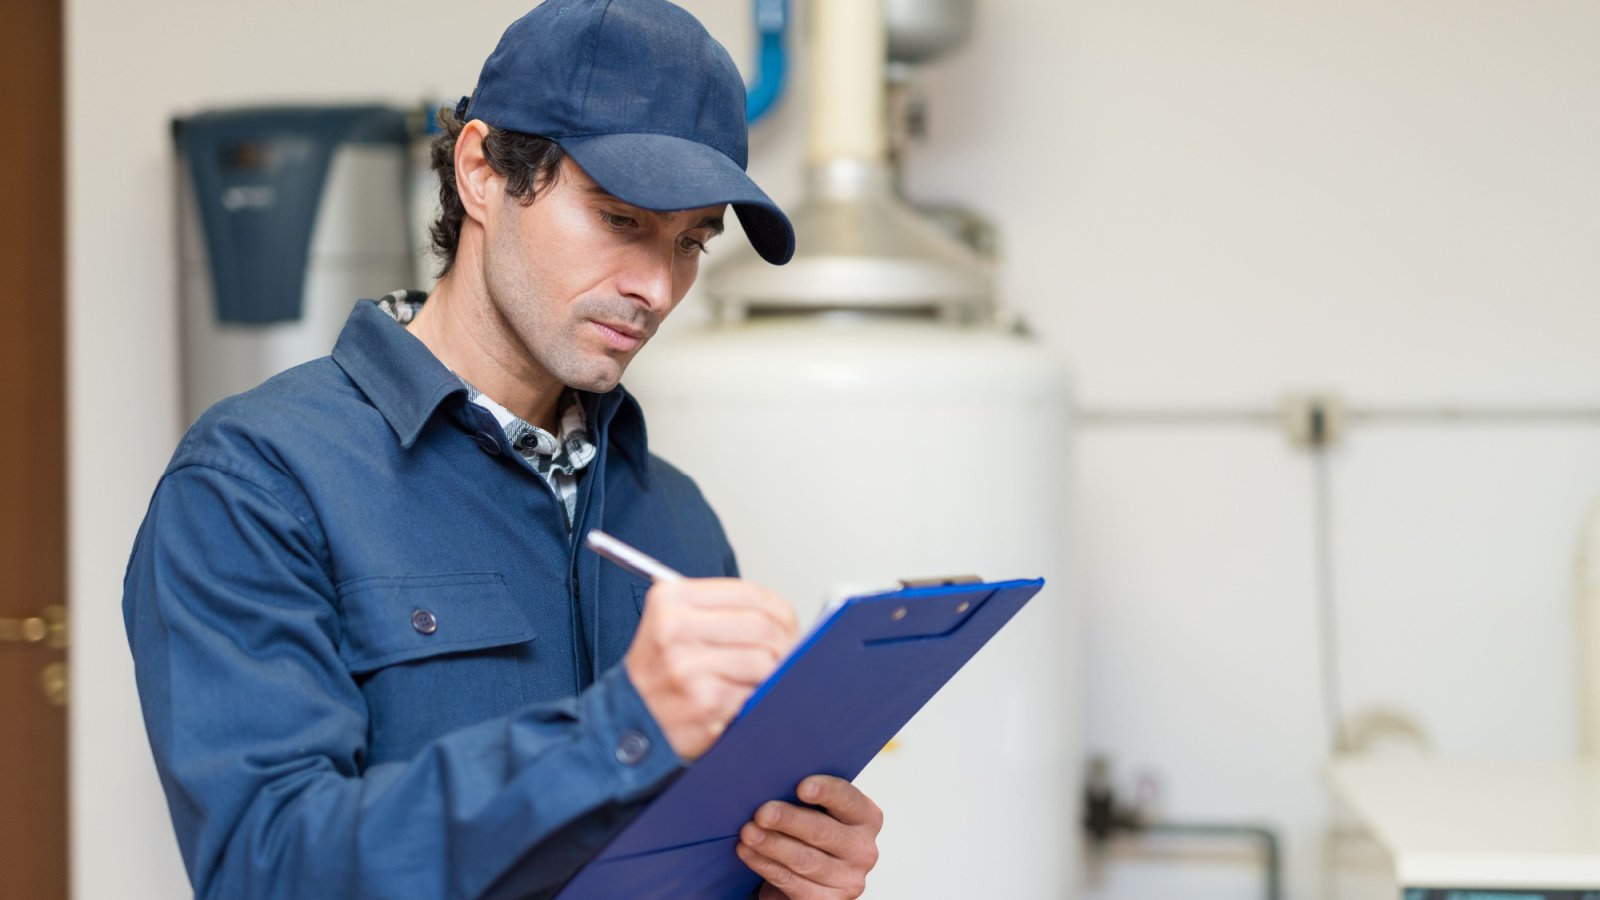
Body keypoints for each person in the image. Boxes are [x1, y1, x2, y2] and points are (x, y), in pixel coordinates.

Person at [122, 2, 882, 898]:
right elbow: (272, 868)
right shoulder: (258, 484)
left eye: (689, 243)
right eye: (618, 219)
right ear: (482, 170)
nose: (654, 287)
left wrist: (780, 875)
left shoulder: (673, 513)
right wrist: (615, 733)